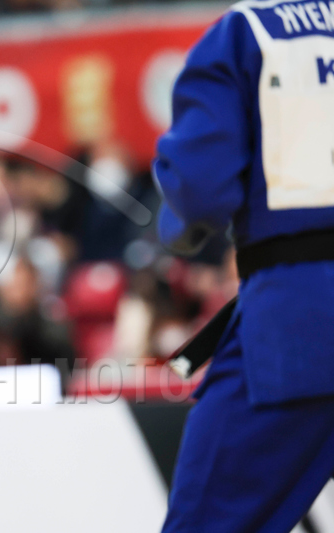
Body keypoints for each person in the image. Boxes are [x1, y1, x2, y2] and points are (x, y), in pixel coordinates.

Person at [153, 1, 334, 531]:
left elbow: (199, 191)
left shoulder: (247, 32)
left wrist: (177, 228)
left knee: (208, 520)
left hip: (303, 318)